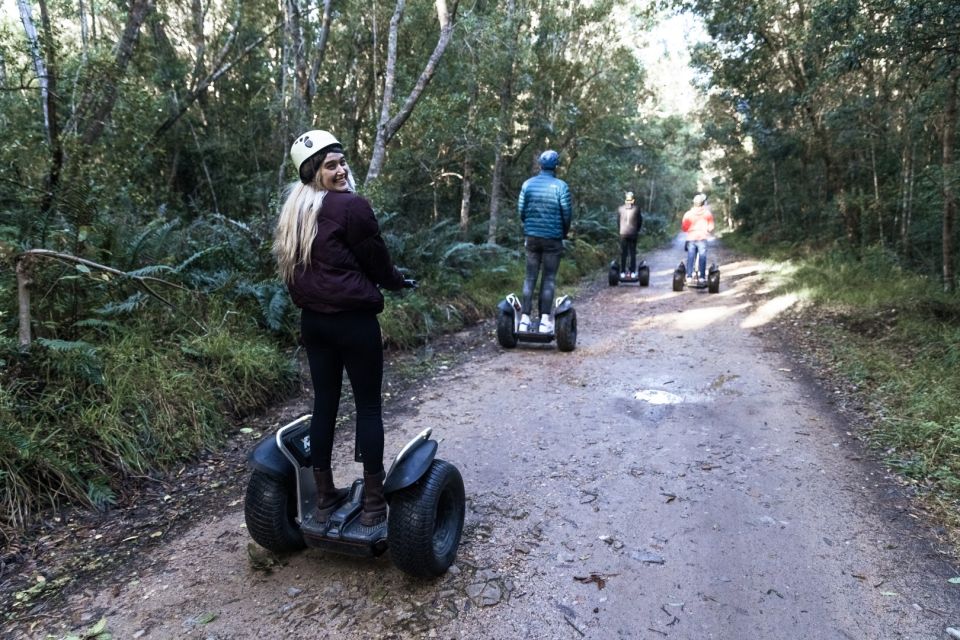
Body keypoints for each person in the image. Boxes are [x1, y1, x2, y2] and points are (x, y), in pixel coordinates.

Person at [273, 129, 413, 527]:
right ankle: (372, 504)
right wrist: (396, 280)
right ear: (314, 171)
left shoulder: (295, 212)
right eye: (331, 165)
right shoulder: (350, 207)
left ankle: (324, 499)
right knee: (368, 407)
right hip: (353, 322)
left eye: (342, 161)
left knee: (325, 406)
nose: (341, 169)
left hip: (314, 324)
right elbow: (376, 260)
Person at [517, 149, 573, 333]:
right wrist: (563, 233)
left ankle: (524, 320)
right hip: (553, 239)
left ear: (540, 164)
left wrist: (530, 228)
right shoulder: (561, 186)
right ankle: (544, 322)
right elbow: (566, 215)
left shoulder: (527, 184)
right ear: (556, 166)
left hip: (531, 237)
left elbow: (521, 212)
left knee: (530, 277)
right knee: (548, 278)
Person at [681, 193, 715, 283]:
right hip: (702, 238)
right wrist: (706, 229)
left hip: (691, 239)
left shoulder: (688, 214)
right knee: (702, 257)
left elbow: (684, 228)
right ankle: (702, 277)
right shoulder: (707, 214)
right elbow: (711, 228)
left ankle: (689, 276)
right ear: (702, 203)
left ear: (694, 203)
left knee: (690, 256)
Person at [617, 191, 643, 278]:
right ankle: (632, 272)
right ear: (633, 200)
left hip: (623, 233)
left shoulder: (620, 209)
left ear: (625, 200)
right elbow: (640, 222)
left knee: (623, 253)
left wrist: (621, 230)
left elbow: (618, 222)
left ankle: (623, 272)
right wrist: (637, 230)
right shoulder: (637, 208)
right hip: (633, 234)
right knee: (632, 253)